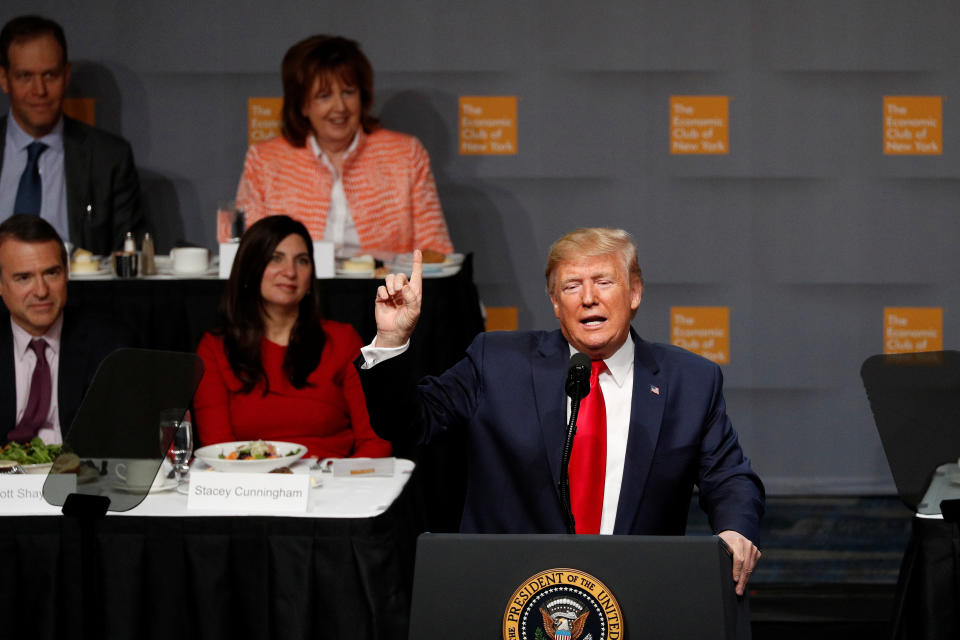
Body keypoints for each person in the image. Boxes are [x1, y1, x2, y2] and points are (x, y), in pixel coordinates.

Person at [357, 228, 764, 596]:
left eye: (604, 282)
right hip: (508, 594)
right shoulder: (497, 362)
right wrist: (391, 341)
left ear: (635, 292)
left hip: (634, 594)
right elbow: (409, 423)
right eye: (572, 286)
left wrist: (735, 530)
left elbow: (729, 477)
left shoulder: (689, 381)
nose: (589, 298)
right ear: (554, 302)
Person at [235, 35, 453, 257]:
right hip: (296, 289)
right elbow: (247, 253)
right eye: (324, 96)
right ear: (302, 104)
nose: (339, 107)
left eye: (348, 92)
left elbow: (435, 249)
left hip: (385, 288)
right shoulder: (265, 160)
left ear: (363, 96)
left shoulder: (406, 154)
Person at [193, 215, 391, 458]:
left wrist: (353, 489)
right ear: (250, 269)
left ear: (311, 278)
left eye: (302, 261)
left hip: (333, 486)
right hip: (249, 488)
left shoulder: (343, 341)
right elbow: (219, 450)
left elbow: (375, 439)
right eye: (276, 258)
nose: (290, 272)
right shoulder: (214, 349)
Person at [0, 15, 143, 255]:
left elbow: (128, 260)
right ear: (4, 80)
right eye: (26, 76)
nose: (39, 90)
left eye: (50, 75)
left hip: (78, 292)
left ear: (66, 75)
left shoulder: (108, 159)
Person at [0, 214, 133, 443]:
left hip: (75, 476)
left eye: (52, 273)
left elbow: (124, 439)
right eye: (24, 278)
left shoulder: (108, 344)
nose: (41, 291)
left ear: (67, 274)